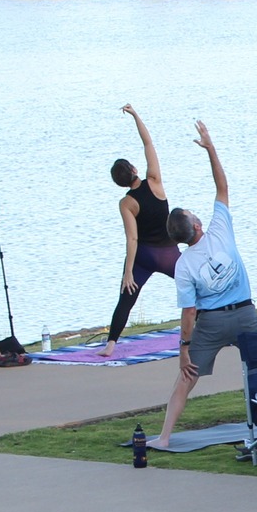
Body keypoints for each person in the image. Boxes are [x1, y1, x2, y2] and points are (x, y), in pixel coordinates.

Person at [148, 122, 257, 449]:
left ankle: (164, 437)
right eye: (193, 214)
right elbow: (222, 186)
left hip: (212, 323)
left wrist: (184, 350)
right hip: (245, 316)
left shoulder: (183, 264)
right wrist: (211, 148)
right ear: (196, 225)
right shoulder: (220, 229)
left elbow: (189, 312)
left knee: (186, 377)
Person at [102, 105, 179, 356]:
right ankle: (210, 327)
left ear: (119, 183)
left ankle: (111, 345)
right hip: (168, 253)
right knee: (195, 284)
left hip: (144, 257)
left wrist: (128, 273)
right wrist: (136, 115)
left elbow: (132, 239)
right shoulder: (154, 181)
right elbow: (148, 144)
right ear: (134, 169)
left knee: (126, 297)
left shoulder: (126, 202)